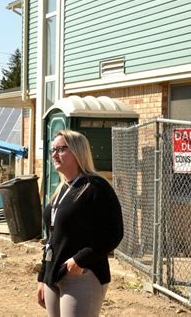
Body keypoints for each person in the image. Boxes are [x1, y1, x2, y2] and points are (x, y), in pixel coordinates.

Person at [36, 130, 124, 317]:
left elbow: (114, 233)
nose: (54, 154)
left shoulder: (96, 187)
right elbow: (52, 239)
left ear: (77, 151)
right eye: (53, 149)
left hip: (83, 276)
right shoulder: (62, 188)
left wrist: (80, 260)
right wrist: (43, 277)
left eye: (61, 149)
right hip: (54, 276)